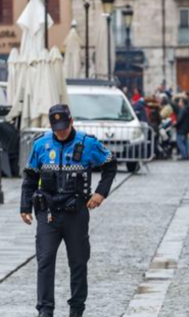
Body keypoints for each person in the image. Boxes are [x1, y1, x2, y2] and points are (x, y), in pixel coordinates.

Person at [20, 104, 117, 317]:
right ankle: (45, 310)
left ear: (71, 122)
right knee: (44, 261)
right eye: (57, 128)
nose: (61, 132)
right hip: (48, 213)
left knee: (78, 262)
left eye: (64, 127)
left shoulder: (87, 144)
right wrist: (25, 206)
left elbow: (110, 165)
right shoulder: (41, 145)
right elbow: (30, 177)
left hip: (76, 212)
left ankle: (76, 309)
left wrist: (100, 193)